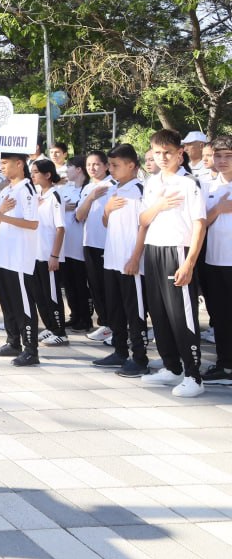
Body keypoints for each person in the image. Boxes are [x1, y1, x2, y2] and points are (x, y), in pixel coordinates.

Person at [135, 130, 208, 397]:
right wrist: (161, 204)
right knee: (159, 312)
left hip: (178, 250)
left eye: (168, 152)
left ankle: (193, 374)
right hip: (154, 250)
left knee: (181, 314)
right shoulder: (152, 183)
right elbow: (143, 220)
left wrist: (189, 262)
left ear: (180, 153)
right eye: (157, 152)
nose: (163, 157)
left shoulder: (189, 183)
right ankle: (172, 367)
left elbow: (200, 225)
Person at [96, 144, 148, 375]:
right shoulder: (115, 189)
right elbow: (107, 223)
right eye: (111, 165)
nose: (112, 169)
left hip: (130, 262)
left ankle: (139, 358)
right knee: (114, 309)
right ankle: (120, 351)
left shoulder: (139, 190)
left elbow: (144, 226)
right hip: (112, 259)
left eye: (116, 165)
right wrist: (106, 210)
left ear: (132, 165)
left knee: (133, 311)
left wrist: (136, 257)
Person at [0, 153, 42, 366]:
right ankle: (13, 342)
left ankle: (31, 349)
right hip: (5, 253)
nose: (1, 167)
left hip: (20, 256)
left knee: (23, 303)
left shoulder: (27, 190)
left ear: (19, 164)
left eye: (4, 163)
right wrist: (0, 214)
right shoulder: (8, 189)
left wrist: (3, 216)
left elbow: (32, 223)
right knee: (7, 301)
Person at [201, 135, 232, 385]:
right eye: (218, 156)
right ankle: (225, 364)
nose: (222, 161)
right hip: (213, 261)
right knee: (220, 316)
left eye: (228, 156)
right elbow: (202, 222)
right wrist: (218, 210)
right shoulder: (207, 186)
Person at [30, 159, 69, 347]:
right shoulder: (38, 195)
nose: (33, 175)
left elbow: (61, 228)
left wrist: (54, 256)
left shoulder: (55, 196)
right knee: (40, 294)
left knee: (52, 294)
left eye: (36, 172)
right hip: (36, 254)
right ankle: (50, 327)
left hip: (48, 255)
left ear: (47, 174)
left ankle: (60, 331)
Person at [76, 151, 113, 343]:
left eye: (97, 164)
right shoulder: (88, 188)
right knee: (95, 285)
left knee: (108, 287)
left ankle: (113, 324)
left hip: (107, 244)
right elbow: (79, 215)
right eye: (89, 164)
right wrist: (90, 197)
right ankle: (105, 323)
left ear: (106, 166)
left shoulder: (113, 186)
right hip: (89, 242)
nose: (92, 168)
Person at [58, 156, 91, 331]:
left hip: (80, 244)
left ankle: (85, 318)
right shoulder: (66, 188)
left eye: (69, 167)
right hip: (66, 244)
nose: (66, 171)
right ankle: (75, 315)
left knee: (80, 284)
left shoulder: (88, 188)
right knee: (69, 284)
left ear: (78, 169)